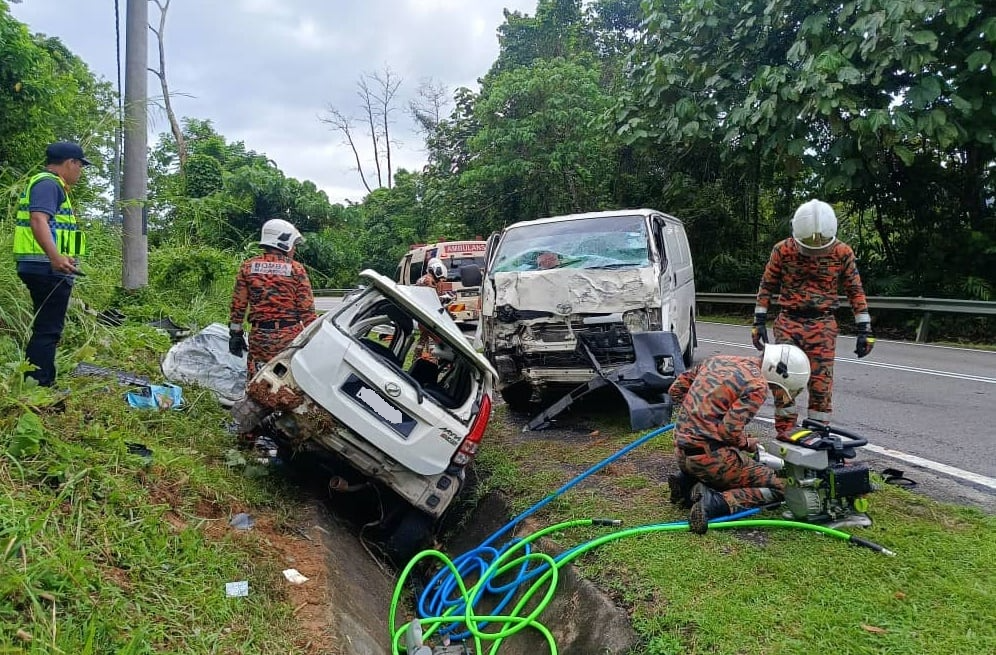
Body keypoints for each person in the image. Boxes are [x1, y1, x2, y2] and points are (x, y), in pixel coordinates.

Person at [751, 199, 873, 438]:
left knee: (821, 386)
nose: (814, 249)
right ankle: (785, 434)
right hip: (789, 323)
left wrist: (865, 330)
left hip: (823, 325)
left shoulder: (842, 253)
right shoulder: (783, 250)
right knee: (783, 381)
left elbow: (855, 290)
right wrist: (758, 322)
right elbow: (767, 286)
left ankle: (818, 435)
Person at [667, 343, 811, 534]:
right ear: (780, 374)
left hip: (682, 454)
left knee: (730, 464)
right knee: (781, 487)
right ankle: (715, 503)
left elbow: (675, 390)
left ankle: (686, 483)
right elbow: (729, 432)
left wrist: (700, 415)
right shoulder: (757, 385)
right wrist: (747, 443)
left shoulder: (716, 360)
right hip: (711, 460)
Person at [13, 142, 91, 387]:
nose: (80, 172)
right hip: (46, 267)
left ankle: (38, 381)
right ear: (70, 163)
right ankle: (40, 385)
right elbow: (38, 219)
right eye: (80, 166)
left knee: (46, 327)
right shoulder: (48, 184)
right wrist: (56, 257)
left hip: (43, 265)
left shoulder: (49, 185)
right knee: (48, 329)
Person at [229, 218, 317, 376]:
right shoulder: (296, 269)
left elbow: (238, 307)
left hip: (259, 338)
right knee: (286, 383)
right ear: (284, 242)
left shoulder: (248, 267)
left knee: (257, 380)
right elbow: (308, 313)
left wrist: (235, 334)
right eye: (294, 245)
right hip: (289, 338)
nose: (294, 249)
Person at [413, 257, 451, 360]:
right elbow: (433, 298)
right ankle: (436, 358)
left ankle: (417, 357)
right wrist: (444, 298)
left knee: (424, 337)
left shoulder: (422, 279)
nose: (440, 280)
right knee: (436, 338)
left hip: (421, 313)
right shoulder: (429, 281)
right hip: (429, 314)